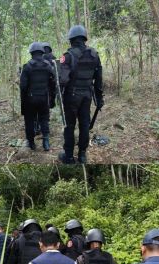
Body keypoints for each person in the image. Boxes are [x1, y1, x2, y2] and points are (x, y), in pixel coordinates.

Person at [57, 25, 104, 164]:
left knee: (69, 126)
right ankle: (82, 155)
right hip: (87, 96)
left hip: (72, 96)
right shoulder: (94, 54)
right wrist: (99, 97)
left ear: (71, 39)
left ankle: (69, 156)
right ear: (84, 38)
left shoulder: (67, 57)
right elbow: (99, 79)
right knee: (84, 124)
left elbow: (62, 80)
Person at [20, 42, 56, 152]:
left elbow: (23, 87)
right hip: (44, 98)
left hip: (31, 99)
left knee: (30, 121)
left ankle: (31, 143)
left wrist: (24, 103)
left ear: (31, 53)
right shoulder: (48, 66)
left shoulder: (27, 67)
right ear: (42, 52)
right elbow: (53, 83)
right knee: (44, 119)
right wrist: (52, 99)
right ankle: (46, 143)